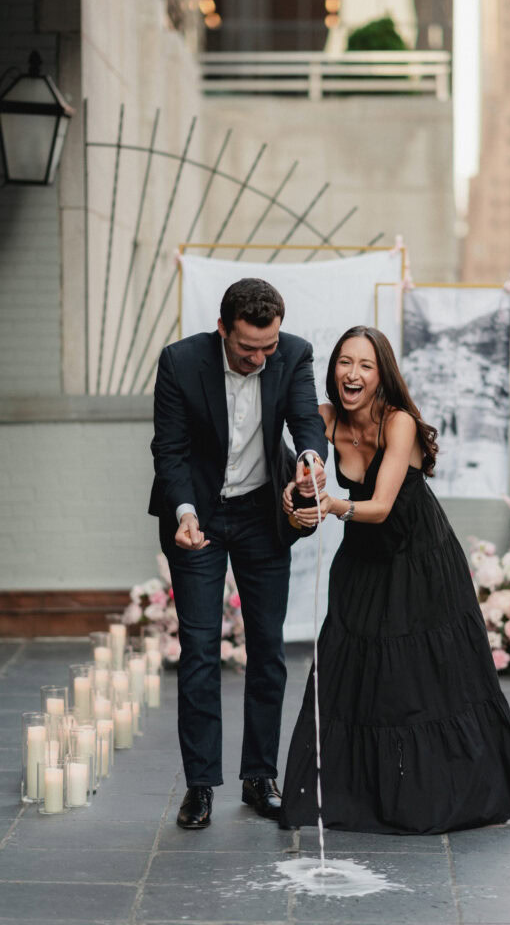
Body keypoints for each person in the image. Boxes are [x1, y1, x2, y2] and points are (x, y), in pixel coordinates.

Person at [279, 326, 510, 834]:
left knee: (419, 682)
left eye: (365, 365)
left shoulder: (400, 423)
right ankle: (359, 795)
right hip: (363, 561)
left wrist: (332, 505)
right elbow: (305, 464)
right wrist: (295, 495)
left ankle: (431, 798)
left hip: (419, 560)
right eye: (345, 362)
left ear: (382, 375)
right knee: (350, 670)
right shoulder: (325, 419)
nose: (352, 373)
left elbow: (380, 506)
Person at [149, 278, 327, 829]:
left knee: (268, 649)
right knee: (200, 651)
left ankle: (259, 777)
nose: (259, 358)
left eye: (268, 346)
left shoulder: (293, 353)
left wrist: (311, 459)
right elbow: (169, 450)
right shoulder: (180, 362)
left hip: (260, 514)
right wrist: (184, 513)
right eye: (248, 347)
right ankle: (200, 785)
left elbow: (307, 423)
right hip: (197, 515)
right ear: (222, 328)